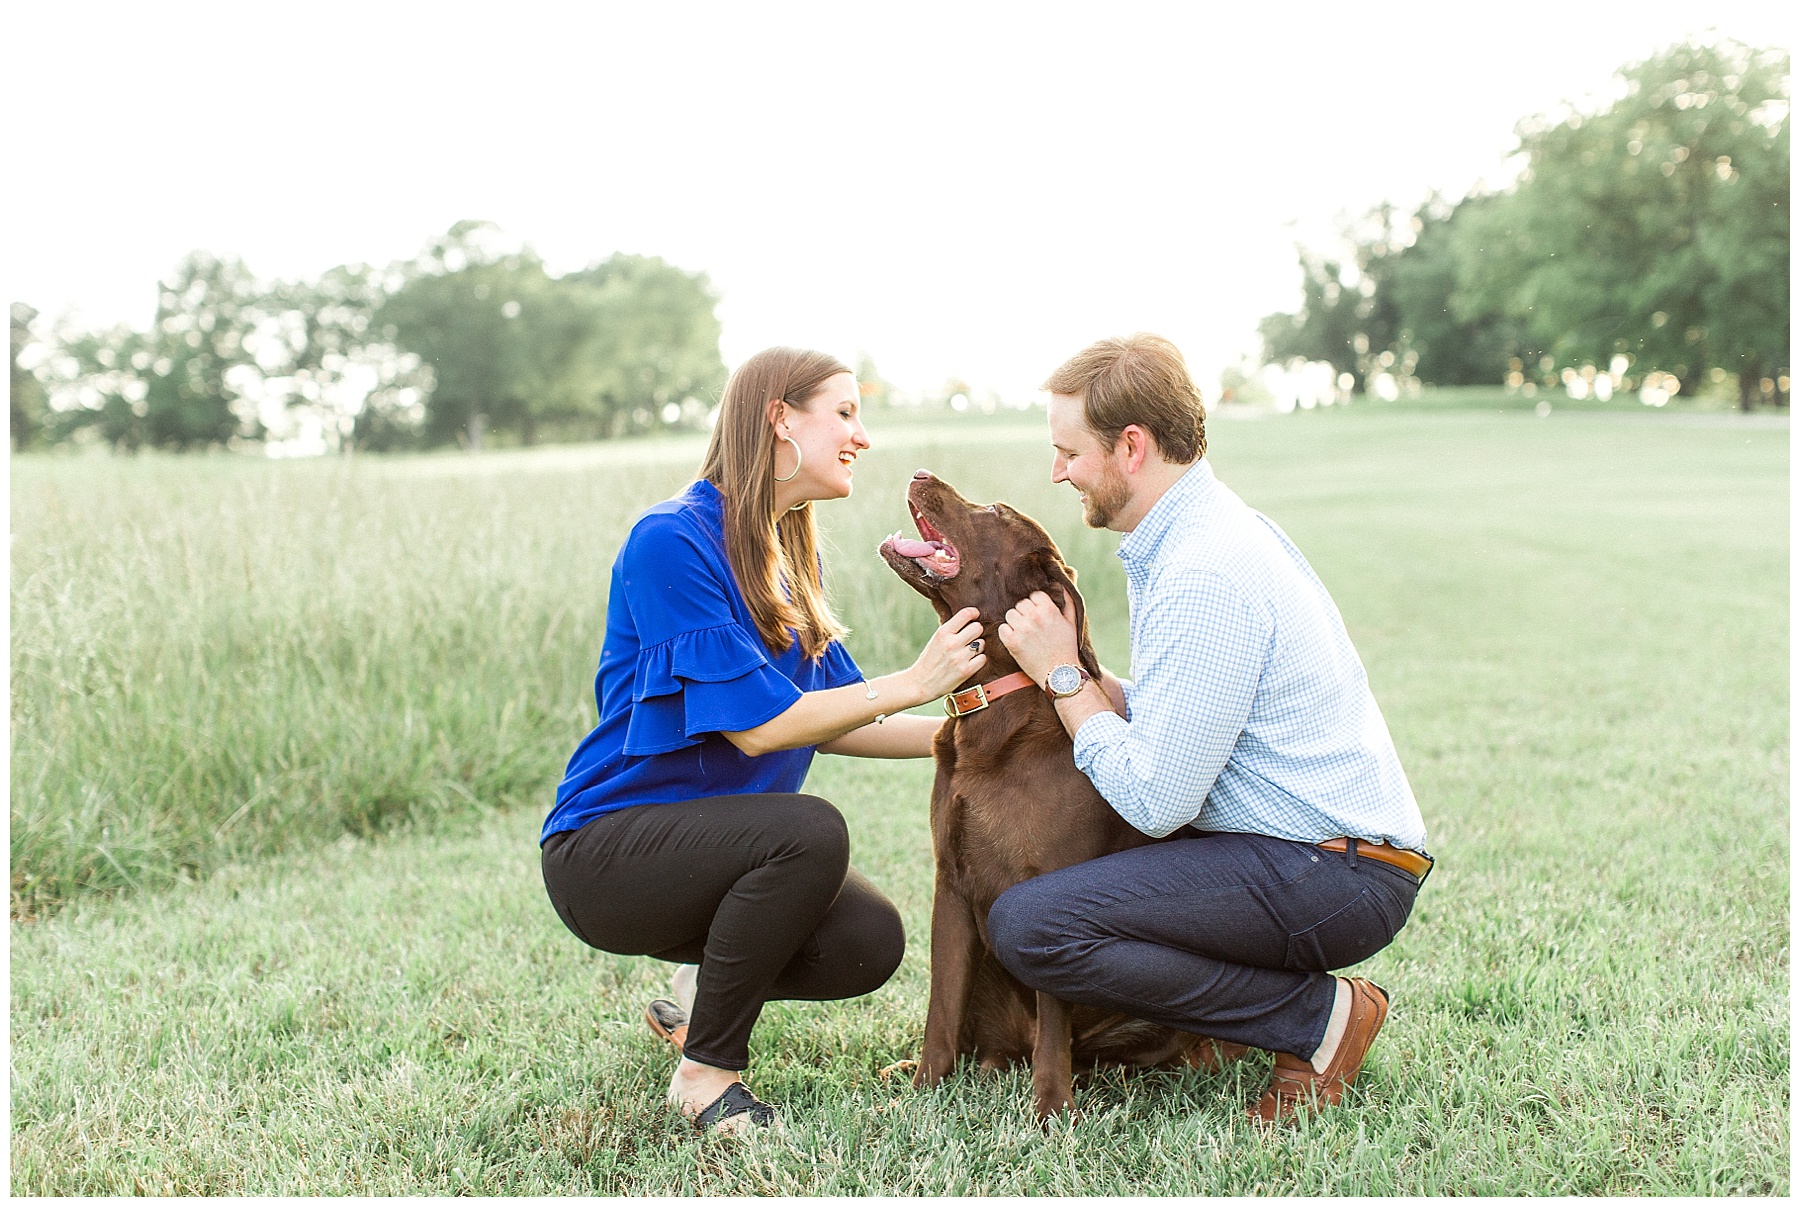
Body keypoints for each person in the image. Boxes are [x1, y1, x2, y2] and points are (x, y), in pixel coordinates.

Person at [541, 347, 987, 1134]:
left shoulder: (786, 554)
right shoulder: (671, 541)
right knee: (812, 831)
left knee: (868, 939)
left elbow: (845, 716)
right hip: (605, 851)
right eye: (845, 412)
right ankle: (705, 1079)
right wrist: (919, 679)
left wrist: (986, 733)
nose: (863, 435)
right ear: (781, 418)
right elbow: (759, 729)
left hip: (712, 850)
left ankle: (697, 993)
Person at [989, 334, 1432, 1125]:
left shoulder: (1205, 570)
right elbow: (1180, 715)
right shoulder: (1199, 536)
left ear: (1132, 446)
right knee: (1081, 889)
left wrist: (1063, 677)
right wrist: (1081, 681)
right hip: (1309, 851)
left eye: (1068, 452)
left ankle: (1318, 1021)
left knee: (1036, 924)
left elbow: (1157, 798)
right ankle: (1219, 1026)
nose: (1058, 472)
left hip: (1335, 871)